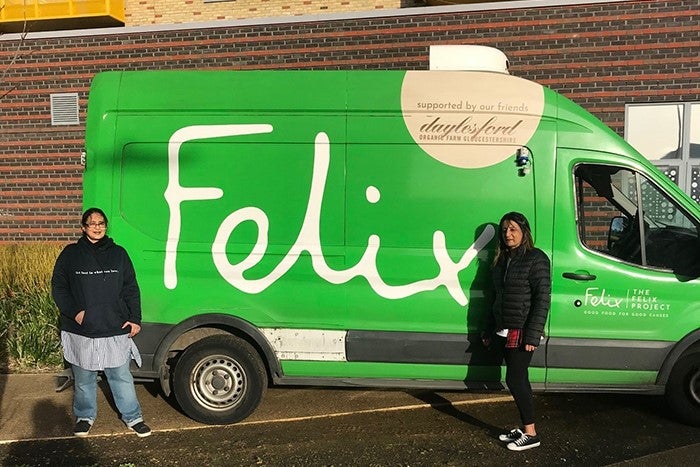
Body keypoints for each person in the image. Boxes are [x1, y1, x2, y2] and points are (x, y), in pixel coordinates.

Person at [51, 207, 152, 438]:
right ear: (83, 227)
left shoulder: (119, 254)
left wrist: (134, 318)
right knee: (84, 377)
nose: (97, 227)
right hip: (82, 329)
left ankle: (133, 417)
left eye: (101, 223)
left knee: (120, 375)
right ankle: (85, 416)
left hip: (114, 325)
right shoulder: (70, 254)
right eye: (92, 223)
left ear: (105, 226)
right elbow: (59, 287)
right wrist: (76, 313)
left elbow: (130, 288)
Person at [482, 211, 551, 451]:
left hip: (523, 330)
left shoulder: (536, 258)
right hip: (505, 328)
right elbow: (496, 298)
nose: (508, 234)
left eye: (512, 229)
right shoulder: (502, 259)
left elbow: (542, 299)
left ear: (524, 231)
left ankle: (531, 434)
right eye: (504, 230)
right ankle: (525, 429)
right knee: (520, 378)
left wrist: (533, 334)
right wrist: (489, 328)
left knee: (513, 378)